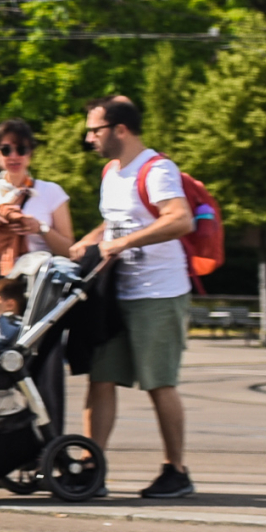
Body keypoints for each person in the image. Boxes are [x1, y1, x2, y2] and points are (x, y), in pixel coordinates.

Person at [75, 95, 195, 499]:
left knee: (159, 383)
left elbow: (180, 218)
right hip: (117, 292)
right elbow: (113, 225)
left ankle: (176, 471)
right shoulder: (112, 171)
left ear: (120, 130)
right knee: (102, 378)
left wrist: (122, 242)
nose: (89, 137)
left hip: (159, 291)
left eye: (96, 129)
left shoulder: (158, 169)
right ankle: (93, 467)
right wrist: (83, 245)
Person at [0, 118, 75, 273]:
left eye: (21, 149)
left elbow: (69, 250)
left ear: (30, 153)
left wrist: (40, 228)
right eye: (5, 150)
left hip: (37, 280)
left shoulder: (51, 191)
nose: (13, 156)